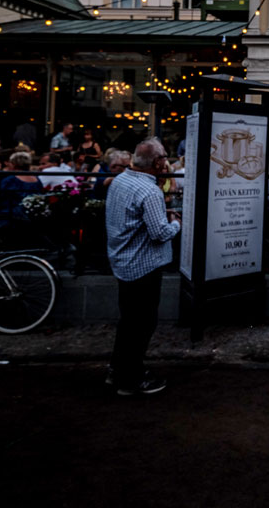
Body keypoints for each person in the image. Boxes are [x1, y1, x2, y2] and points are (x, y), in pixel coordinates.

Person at [105, 138, 180, 396]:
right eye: (164, 159)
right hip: (143, 265)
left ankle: (118, 369)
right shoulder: (150, 191)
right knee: (142, 322)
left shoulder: (120, 181)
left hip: (122, 261)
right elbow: (159, 233)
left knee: (128, 320)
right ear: (158, 163)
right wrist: (175, 223)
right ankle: (131, 378)